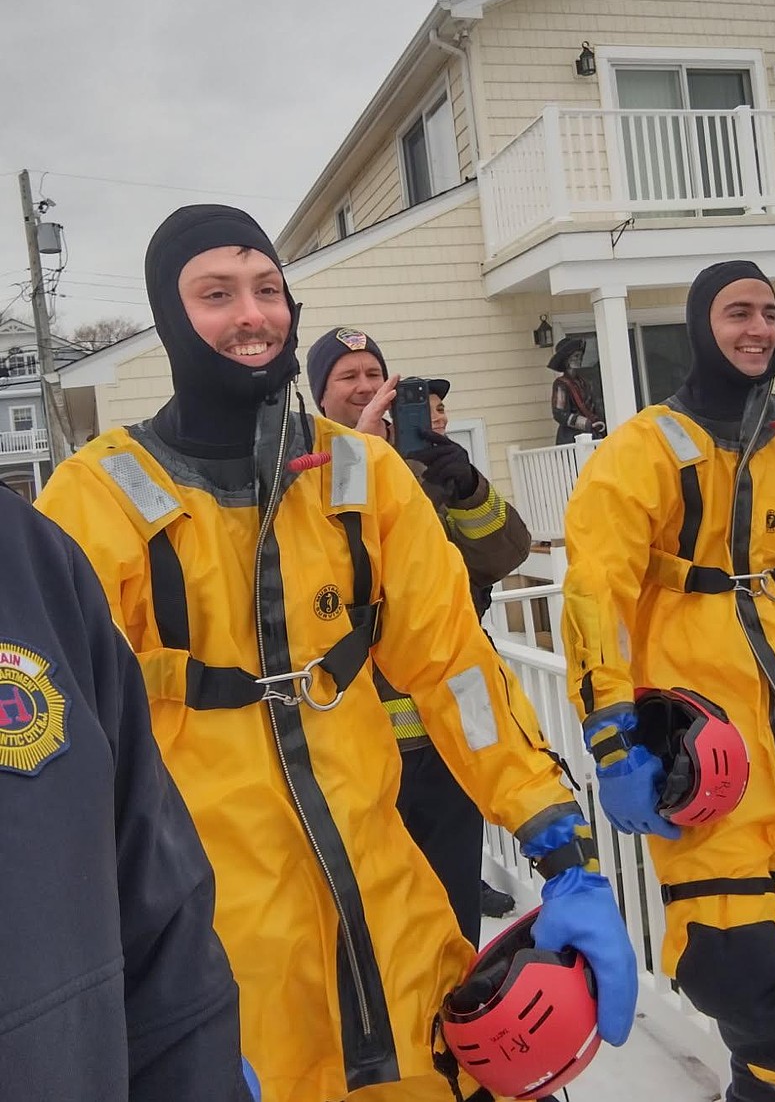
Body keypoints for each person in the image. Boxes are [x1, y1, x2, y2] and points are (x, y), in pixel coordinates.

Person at [38, 204, 637, 1102]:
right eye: (216, 294)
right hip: (225, 965)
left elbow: (455, 670)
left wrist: (560, 842)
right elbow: (62, 765)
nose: (253, 314)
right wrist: (120, 1002)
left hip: (399, 932)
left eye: (267, 288)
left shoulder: (364, 474)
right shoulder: (96, 499)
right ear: (170, 316)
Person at [561, 258, 775, 1102]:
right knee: (733, 967)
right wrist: (610, 732)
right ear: (700, 328)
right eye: (737, 311)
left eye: (769, 313)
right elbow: (596, 592)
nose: (758, 328)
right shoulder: (645, 450)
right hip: (707, 752)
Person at [0, 480, 253, 1101]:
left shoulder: (29, 556)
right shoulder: (93, 492)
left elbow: (166, 949)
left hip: (310, 883)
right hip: (238, 877)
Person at [306, 330, 531, 941]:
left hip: (450, 728)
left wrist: (467, 487)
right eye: (347, 376)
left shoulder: (429, 466)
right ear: (320, 395)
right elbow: (330, 573)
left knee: (454, 911)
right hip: (359, 741)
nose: (364, 386)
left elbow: (505, 555)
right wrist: (360, 456)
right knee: (378, 921)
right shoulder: (306, 470)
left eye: (372, 374)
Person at [547, 336, 605, 444]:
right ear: (567, 360)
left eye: (580, 356)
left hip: (591, 434)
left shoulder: (584, 382)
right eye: (576, 356)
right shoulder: (561, 384)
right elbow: (559, 413)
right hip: (570, 437)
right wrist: (585, 423)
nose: (579, 359)